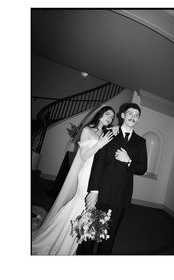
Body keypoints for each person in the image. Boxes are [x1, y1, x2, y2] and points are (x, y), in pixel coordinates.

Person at [32, 105, 116, 255]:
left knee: (88, 206)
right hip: (86, 172)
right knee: (82, 202)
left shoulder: (105, 133)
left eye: (112, 116)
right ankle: (64, 237)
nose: (110, 118)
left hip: (98, 174)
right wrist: (99, 144)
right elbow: (83, 156)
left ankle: (75, 239)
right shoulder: (87, 130)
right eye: (108, 114)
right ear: (100, 114)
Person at [77, 103, 148, 255]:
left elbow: (142, 169)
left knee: (110, 235)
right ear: (123, 115)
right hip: (101, 191)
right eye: (130, 114)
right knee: (90, 231)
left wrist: (128, 161)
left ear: (139, 119)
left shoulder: (141, 142)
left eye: (136, 116)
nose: (132, 117)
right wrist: (94, 190)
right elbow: (98, 163)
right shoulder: (109, 133)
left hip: (121, 195)